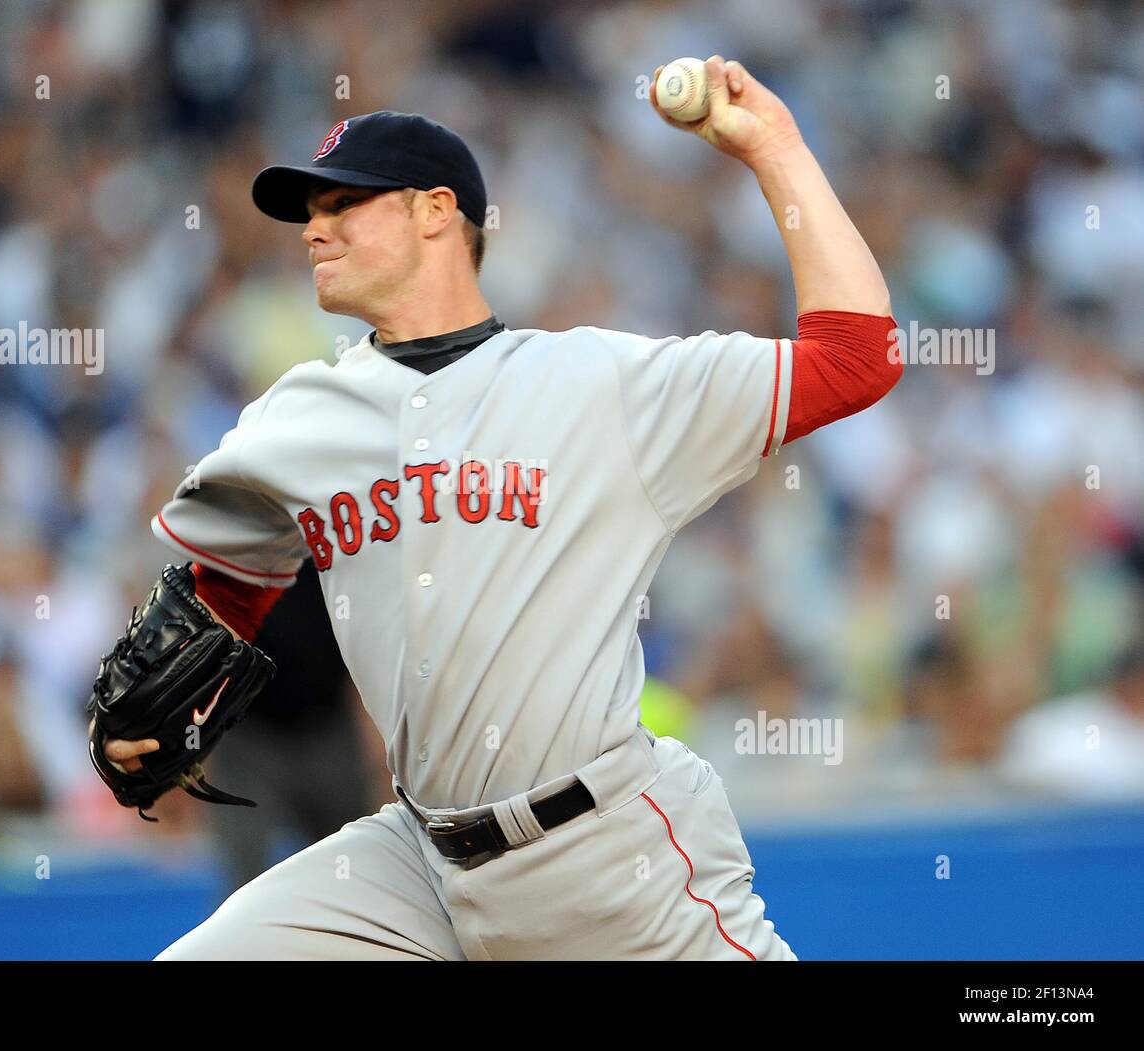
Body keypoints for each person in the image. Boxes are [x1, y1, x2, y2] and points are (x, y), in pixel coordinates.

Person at [106, 56, 902, 960]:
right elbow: (226, 594)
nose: (313, 231)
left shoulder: (601, 382)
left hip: (606, 852)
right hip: (415, 864)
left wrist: (775, 149)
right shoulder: (297, 417)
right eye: (309, 213)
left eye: (342, 205)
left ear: (435, 211)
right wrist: (153, 715)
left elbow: (857, 357)